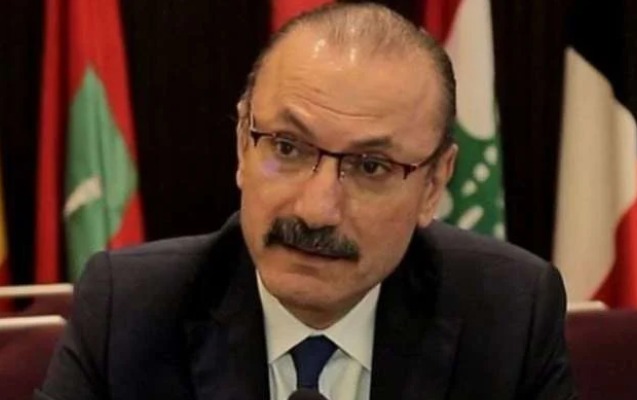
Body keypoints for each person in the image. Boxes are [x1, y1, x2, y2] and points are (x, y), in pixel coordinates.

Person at [36, 3, 576, 400]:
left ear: (433, 185)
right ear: (243, 146)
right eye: (288, 148)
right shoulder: (129, 310)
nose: (316, 211)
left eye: (371, 167)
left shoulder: (509, 314)